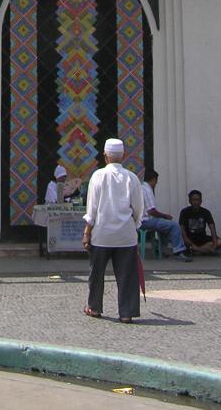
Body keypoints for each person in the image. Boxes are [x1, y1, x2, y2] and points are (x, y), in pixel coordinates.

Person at [81, 138, 144, 322]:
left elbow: (91, 209)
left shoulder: (98, 176)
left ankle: (94, 307)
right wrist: (135, 225)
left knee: (97, 274)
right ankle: (127, 313)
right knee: (127, 275)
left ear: (105, 156)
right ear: (123, 155)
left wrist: (87, 232)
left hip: (101, 234)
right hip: (126, 236)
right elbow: (139, 207)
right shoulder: (131, 178)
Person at [140, 169, 192, 261]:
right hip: (145, 221)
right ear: (154, 179)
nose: (156, 184)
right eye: (156, 181)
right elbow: (151, 211)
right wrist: (164, 215)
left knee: (165, 226)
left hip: (141, 220)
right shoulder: (147, 190)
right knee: (174, 225)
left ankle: (161, 249)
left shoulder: (141, 188)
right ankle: (179, 251)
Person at [178, 190, 221, 254]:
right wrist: (192, 245)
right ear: (189, 201)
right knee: (182, 243)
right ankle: (201, 250)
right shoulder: (184, 212)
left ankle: (196, 251)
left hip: (202, 238)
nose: (195, 202)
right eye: (193, 200)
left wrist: (214, 245)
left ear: (201, 201)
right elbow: (182, 231)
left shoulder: (206, 212)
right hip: (189, 239)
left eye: (197, 200)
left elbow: (212, 228)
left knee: (219, 242)